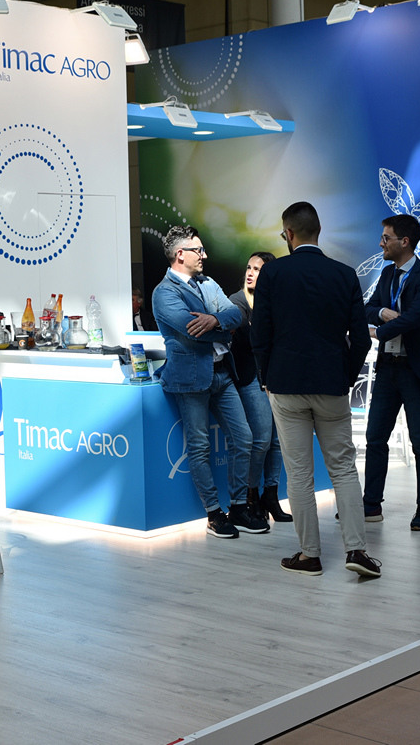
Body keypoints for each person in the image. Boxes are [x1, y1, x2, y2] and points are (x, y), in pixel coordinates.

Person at [251, 201, 379, 578]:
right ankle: (357, 550)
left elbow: (260, 334)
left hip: (285, 385)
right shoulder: (344, 274)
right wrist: (346, 376)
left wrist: (266, 376)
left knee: (299, 473)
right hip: (331, 384)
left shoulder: (273, 274)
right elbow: (361, 339)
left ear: (289, 234)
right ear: (318, 231)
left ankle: (310, 555)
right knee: (343, 468)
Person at [152, 225, 266, 538]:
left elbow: (236, 315)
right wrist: (223, 329)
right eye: (198, 250)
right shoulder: (164, 293)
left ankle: (239, 507)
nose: (204, 255)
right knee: (200, 446)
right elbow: (192, 331)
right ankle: (214, 514)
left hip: (223, 374)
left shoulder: (208, 282)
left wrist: (214, 319)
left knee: (243, 438)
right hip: (190, 380)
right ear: (180, 254)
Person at [363, 214, 420, 532]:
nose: (381, 243)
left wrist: (378, 331)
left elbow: (414, 319)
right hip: (388, 367)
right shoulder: (387, 274)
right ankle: (371, 505)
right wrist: (381, 312)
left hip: (415, 370)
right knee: (375, 438)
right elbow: (367, 307)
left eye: (386, 238)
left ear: (404, 241)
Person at [229, 251, 291, 523]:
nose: (250, 273)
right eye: (249, 267)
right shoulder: (236, 302)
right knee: (262, 439)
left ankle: (271, 495)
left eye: (258, 269)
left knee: (277, 442)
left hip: (275, 376)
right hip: (251, 377)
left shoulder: (275, 301)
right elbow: (251, 340)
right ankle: (250, 496)